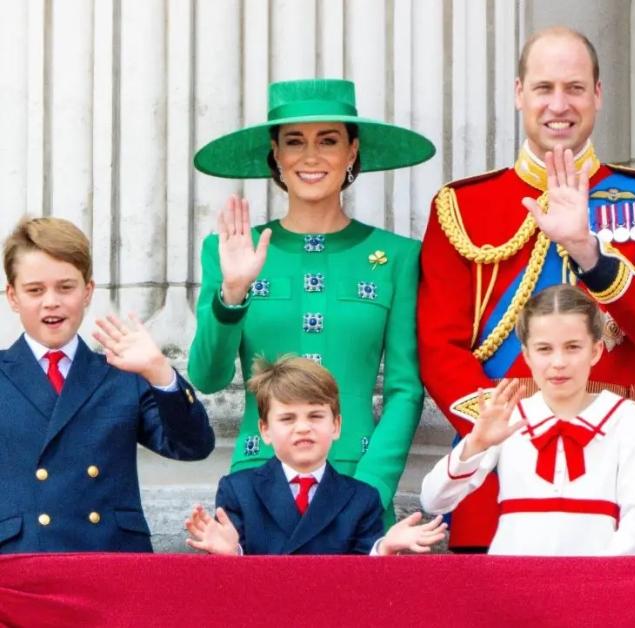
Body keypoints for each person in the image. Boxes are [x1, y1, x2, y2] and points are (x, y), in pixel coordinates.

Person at [418, 27, 635, 552]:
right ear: (519, 92)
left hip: (613, 465)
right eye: (544, 88)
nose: (559, 105)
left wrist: (591, 254)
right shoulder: (463, 206)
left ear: (598, 94)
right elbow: (438, 347)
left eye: (575, 88)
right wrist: (507, 434)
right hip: (498, 478)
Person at [188, 78, 434, 526]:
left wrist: (372, 488)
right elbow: (207, 377)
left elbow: (405, 389)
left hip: (357, 483)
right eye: (295, 142)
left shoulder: (398, 257)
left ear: (353, 151)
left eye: (329, 140)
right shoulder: (227, 249)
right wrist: (234, 292)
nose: (311, 156)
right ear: (276, 154)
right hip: (257, 485)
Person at [0, 217, 213, 553]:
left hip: (109, 559)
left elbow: (192, 446)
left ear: (88, 292)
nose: (51, 301)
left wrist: (159, 371)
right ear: (13, 296)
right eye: (35, 290)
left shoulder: (122, 373)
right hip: (20, 562)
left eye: (66, 287)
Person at [420, 285, 635, 555]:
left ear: (596, 351)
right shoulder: (510, 417)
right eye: (544, 349)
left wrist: (599, 581)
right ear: (527, 355)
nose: (558, 362)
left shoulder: (624, 417)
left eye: (572, 348)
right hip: (513, 584)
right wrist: (476, 443)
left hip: (596, 584)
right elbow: (434, 500)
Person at [184, 356, 446, 555]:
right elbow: (230, 585)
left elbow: (363, 584)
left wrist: (383, 548)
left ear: (336, 425)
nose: (303, 427)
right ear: (265, 429)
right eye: (287, 418)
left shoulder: (362, 499)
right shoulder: (239, 490)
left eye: (315, 416)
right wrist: (233, 554)